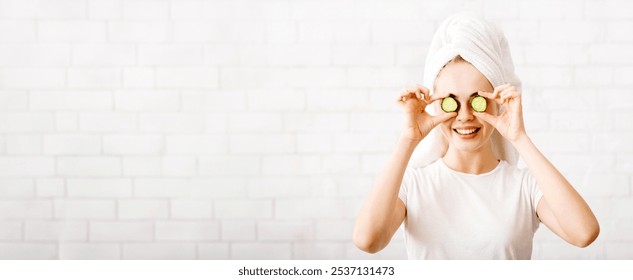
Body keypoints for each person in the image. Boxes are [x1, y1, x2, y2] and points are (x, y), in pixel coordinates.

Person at [352, 12, 599, 259]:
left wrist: (519, 138)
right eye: (451, 102)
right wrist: (408, 139)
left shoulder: (524, 186)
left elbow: (583, 233)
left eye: (477, 100)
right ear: (435, 105)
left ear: (497, 103)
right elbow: (368, 240)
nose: (465, 115)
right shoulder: (413, 184)